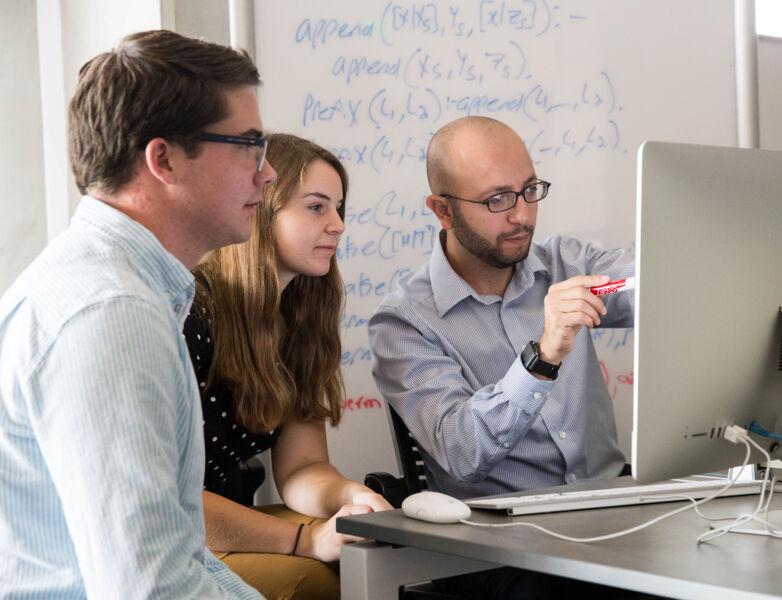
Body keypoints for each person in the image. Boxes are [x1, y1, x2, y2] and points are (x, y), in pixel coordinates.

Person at [0, 30, 276, 598]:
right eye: (250, 144)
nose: (267, 173)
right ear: (164, 159)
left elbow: (177, 560)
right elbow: (149, 589)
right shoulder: (112, 314)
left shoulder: (122, 290)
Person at [368, 116, 638, 599]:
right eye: (497, 199)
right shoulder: (404, 322)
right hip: (500, 540)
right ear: (442, 211)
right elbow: (460, 450)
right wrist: (542, 355)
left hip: (615, 505)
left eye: (529, 190)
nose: (522, 216)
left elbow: (648, 284)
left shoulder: (569, 266)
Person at [184, 133, 392, 600]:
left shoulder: (300, 320)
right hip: (174, 528)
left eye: (339, 208)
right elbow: (171, 498)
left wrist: (349, 498)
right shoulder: (190, 313)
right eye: (317, 207)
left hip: (223, 518)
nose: (337, 225)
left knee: (371, 554)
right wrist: (307, 540)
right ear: (259, 208)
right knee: (316, 580)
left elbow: (303, 467)